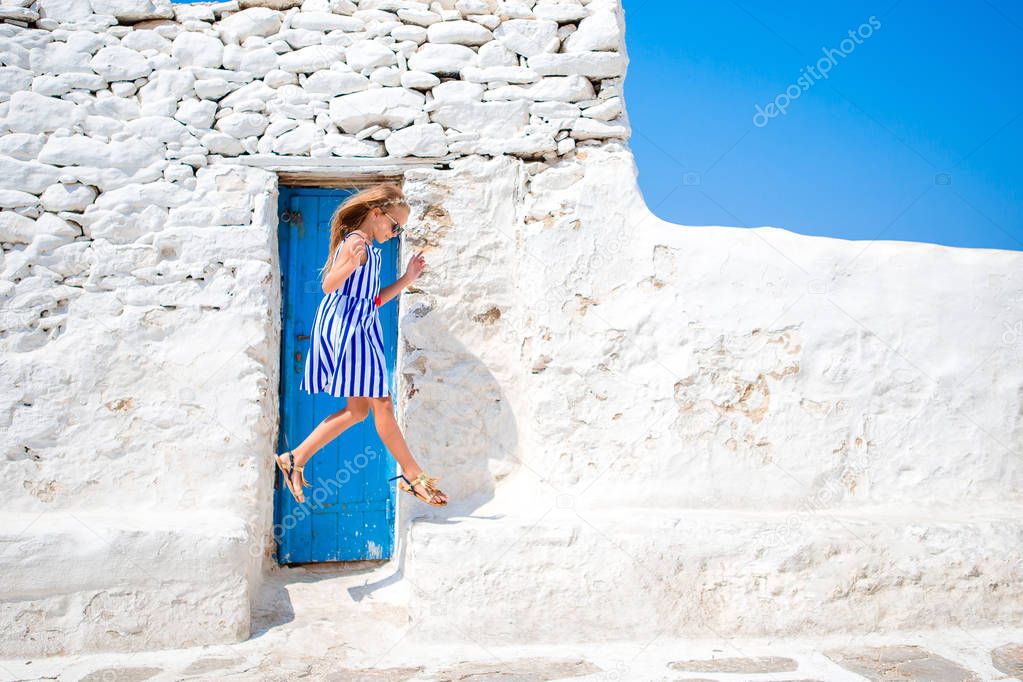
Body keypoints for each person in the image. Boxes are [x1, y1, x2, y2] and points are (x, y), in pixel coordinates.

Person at [273, 182, 448, 507]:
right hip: (350, 330)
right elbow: (328, 285)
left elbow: (374, 299)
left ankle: (294, 458)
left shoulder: (366, 246)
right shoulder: (357, 244)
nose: (396, 233)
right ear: (377, 213)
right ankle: (414, 476)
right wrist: (350, 264)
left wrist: (408, 279)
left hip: (359, 324)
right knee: (380, 404)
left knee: (358, 410)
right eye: (395, 226)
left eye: (400, 230)